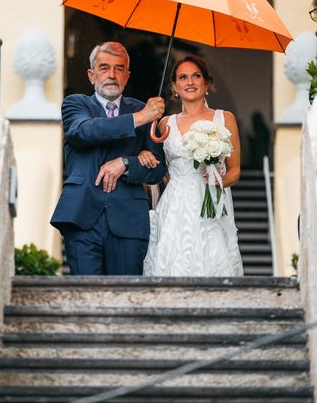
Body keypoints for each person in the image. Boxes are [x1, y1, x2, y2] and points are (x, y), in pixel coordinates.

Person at [50, 41, 167, 275]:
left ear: (127, 76)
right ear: (91, 75)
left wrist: (127, 163)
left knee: (124, 299)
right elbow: (83, 132)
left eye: (119, 68)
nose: (112, 75)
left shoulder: (143, 110)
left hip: (129, 221)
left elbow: (157, 169)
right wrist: (139, 118)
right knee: (86, 298)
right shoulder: (75, 104)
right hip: (82, 217)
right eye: (104, 68)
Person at [141, 55, 243, 277]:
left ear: (207, 83)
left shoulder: (225, 119)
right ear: (175, 86)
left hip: (212, 202)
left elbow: (234, 171)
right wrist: (145, 153)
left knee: (213, 258)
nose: (190, 82)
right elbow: (161, 169)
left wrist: (218, 181)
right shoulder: (165, 123)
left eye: (196, 76)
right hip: (175, 203)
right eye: (183, 77)